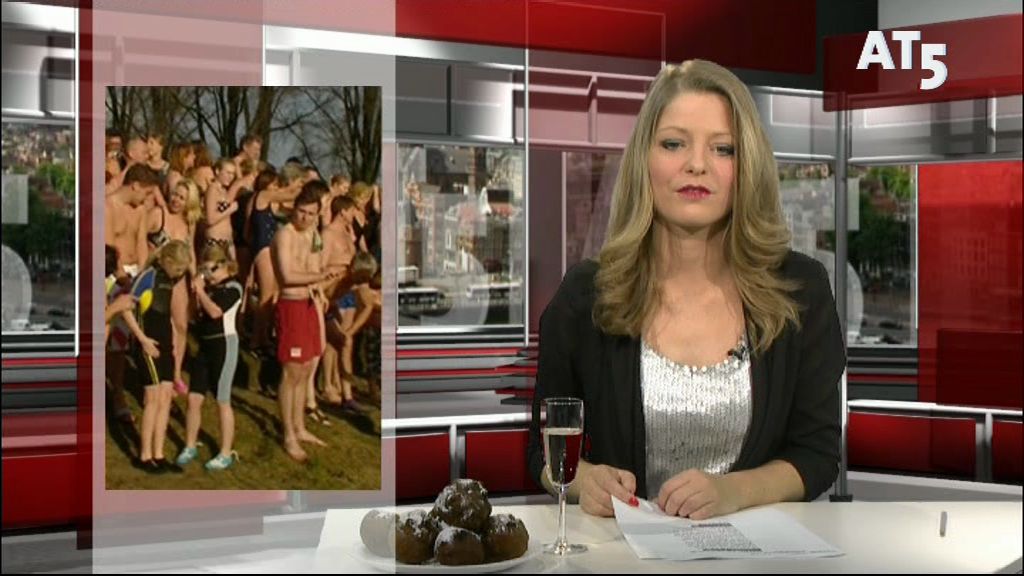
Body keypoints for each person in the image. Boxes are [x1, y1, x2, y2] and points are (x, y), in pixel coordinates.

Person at [526, 59, 845, 521]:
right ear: (645, 159)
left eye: (723, 149)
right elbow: (541, 452)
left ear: (747, 166)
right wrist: (584, 481)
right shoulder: (586, 295)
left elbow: (818, 453)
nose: (696, 165)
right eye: (674, 143)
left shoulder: (801, 290)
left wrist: (733, 492)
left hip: (761, 552)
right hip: (620, 552)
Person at [271, 181, 338, 461]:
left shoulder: (311, 234)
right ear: (293, 208)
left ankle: (299, 427)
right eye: (302, 211)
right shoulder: (284, 235)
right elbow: (287, 275)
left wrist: (319, 287)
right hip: (291, 304)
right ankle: (288, 434)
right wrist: (319, 277)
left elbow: (313, 265)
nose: (305, 217)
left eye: (311, 213)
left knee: (308, 366)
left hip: (309, 303)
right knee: (292, 371)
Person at [119, 240, 191, 473]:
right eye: (178, 269)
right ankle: (144, 455)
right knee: (152, 399)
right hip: (148, 344)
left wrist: (174, 340)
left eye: (183, 270)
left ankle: (159, 454)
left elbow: (166, 313)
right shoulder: (148, 277)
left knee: (165, 398)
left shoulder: (171, 279)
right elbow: (125, 308)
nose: (180, 274)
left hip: (166, 344)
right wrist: (142, 340)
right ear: (167, 261)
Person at [176, 244, 244, 471]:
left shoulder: (233, 287)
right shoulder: (209, 288)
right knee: (194, 398)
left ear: (224, 265)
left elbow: (215, 312)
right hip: (205, 346)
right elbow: (195, 315)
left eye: (212, 269)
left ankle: (225, 452)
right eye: (204, 270)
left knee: (222, 400)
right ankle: (190, 444)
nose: (209, 275)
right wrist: (196, 295)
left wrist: (202, 292)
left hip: (224, 345)